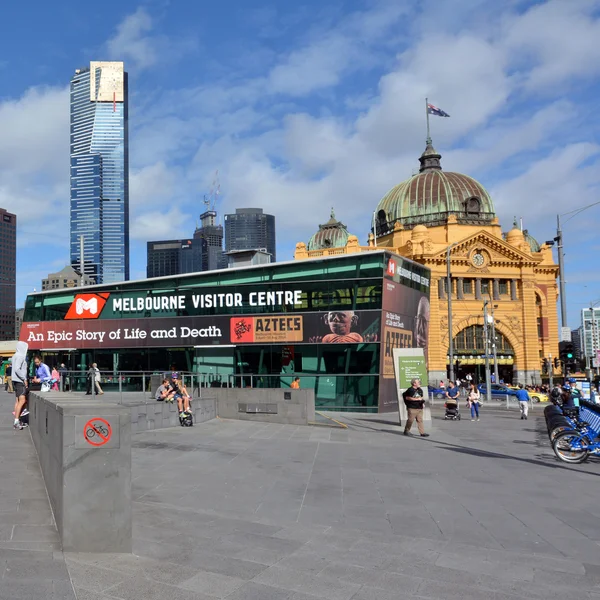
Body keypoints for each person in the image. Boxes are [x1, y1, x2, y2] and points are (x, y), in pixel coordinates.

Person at [12, 342, 29, 430]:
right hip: (20, 381)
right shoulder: (20, 356)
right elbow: (17, 369)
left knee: (18, 401)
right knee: (22, 401)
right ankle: (16, 421)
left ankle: (18, 420)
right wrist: (24, 378)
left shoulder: (15, 355)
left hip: (15, 381)